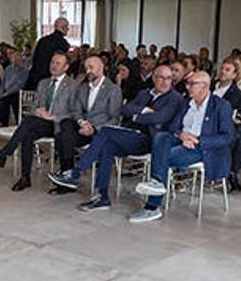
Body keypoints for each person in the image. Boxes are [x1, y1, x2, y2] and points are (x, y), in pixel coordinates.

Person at [49, 64, 182, 211]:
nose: (165, 82)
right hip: (131, 135)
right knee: (107, 147)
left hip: (150, 141)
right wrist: (144, 110)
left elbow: (159, 118)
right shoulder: (144, 94)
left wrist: (137, 117)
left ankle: (75, 173)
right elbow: (125, 109)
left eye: (169, 78)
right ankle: (102, 196)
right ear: (154, 78)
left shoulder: (174, 98)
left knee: (105, 132)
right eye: (161, 77)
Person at [132, 71, 235, 223]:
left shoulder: (220, 105)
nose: (187, 87)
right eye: (188, 83)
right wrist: (182, 135)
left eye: (192, 84)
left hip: (203, 148)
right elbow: (173, 127)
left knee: (162, 157)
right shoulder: (187, 103)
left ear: (205, 86)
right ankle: (158, 184)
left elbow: (227, 136)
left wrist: (197, 140)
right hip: (182, 140)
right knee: (161, 137)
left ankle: (152, 206)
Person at [0, 51, 74, 190]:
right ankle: (25, 177)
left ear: (66, 67)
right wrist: (38, 111)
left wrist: (52, 116)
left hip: (60, 125)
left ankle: (3, 155)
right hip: (41, 122)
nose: (53, 65)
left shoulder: (72, 85)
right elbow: (35, 106)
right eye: (52, 62)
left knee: (28, 123)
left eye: (58, 63)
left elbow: (73, 111)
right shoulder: (43, 83)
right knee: (27, 134)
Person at [50, 55, 123, 195]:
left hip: (100, 132)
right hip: (83, 129)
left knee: (62, 137)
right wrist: (82, 122)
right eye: (86, 68)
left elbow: (114, 118)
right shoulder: (83, 88)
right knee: (65, 125)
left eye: (91, 67)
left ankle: (67, 177)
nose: (88, 71)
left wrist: (94, 128)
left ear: (101, 68)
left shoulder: (113, 89)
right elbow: (75, 110)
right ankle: (67, 174)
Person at [27, 18, 70, 91]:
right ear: (63, 27)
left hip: (34, 78)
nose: (68, 29)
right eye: (67, 27)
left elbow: (34, 59)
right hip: (49, 79)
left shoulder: (42, 40)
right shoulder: (63, 44)